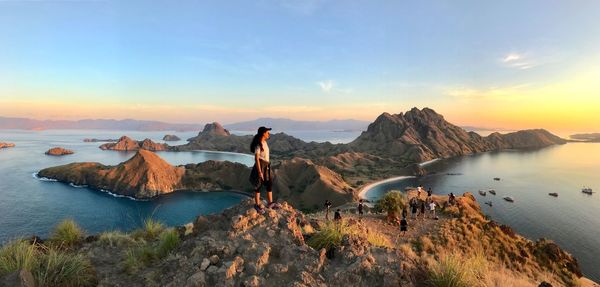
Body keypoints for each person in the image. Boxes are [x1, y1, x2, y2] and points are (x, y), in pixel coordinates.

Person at [249, 126, 277, 213]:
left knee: (269, 183)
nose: (269, 134)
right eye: (267, 132)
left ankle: (270, 203)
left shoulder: (264, 142)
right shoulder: (258, 144)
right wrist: (260, 171)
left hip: (266, 165)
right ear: (263, 133)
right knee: (259, 185)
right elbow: (256, 158)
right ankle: (257, 205)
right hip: (261, 165)